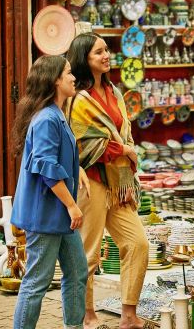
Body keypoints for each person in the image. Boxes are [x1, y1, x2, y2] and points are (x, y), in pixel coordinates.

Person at [67, 33, 150, 329]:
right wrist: (125, 150)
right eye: (98, 52)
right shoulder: (79, 99)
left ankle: (128, 316)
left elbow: (121, 130)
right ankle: (87, 316)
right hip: (91, 182)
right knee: (88, 254)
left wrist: (126, 153)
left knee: (137, 243)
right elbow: (84, 143)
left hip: (119, 183)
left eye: (106, 50)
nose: (106, 56)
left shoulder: (114, 91)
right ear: (84, 60)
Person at [10, 55, 89, 329]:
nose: (73, 77)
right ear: (56, 79)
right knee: (37, 281)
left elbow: (56, 157)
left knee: (78, 271)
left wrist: (78, 171)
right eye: (68, 73)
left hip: (58, 216)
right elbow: (45, 167)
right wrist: (72, 205)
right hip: (46, 215)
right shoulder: (47, 118)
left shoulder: (56, 114)